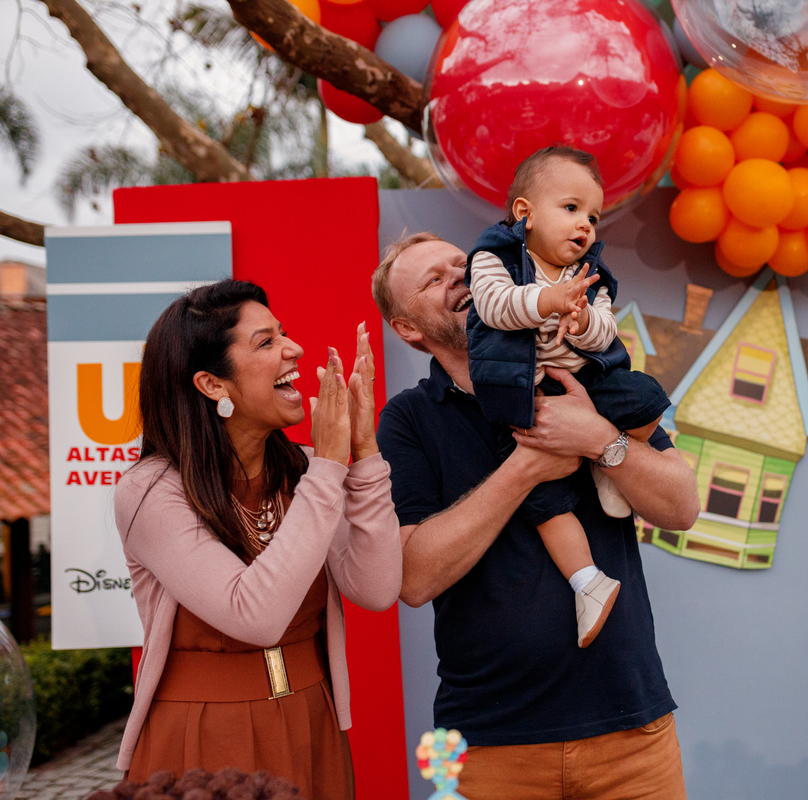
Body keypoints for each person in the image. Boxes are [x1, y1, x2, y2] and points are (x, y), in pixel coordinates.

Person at [373, 231, 700, 800]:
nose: (459, 276)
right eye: (433, 279)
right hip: (489, 747)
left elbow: (682, 505)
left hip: (631, 732)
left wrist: (599, 437)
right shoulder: (408, 420)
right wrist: (525, 467)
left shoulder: (586, 377)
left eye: (461, 264)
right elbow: (415, 577)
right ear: (408, 329)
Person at [113, 279, 403, 797]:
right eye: (266, 342)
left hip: (312, 719)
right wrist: (331, 467)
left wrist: (365, 454)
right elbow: (255, 616)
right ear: (212, 385)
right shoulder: (150, 490)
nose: (294, 350)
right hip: (202, 739)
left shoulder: (307, 473)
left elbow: (377, 588)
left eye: (284, 334)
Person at [466, 145, 671, 648]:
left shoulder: (589, 276)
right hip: (525, 395)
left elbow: (606, 331)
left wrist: (583, 324)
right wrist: (548, 300)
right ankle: (588, 582)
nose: (586, 226)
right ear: (524, 213)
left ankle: (608, 465)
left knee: (644, 396)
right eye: (571, 208)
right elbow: (494, 307)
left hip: (591, 385)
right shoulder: (494, 257)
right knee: (544, 500)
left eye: (594, 217)